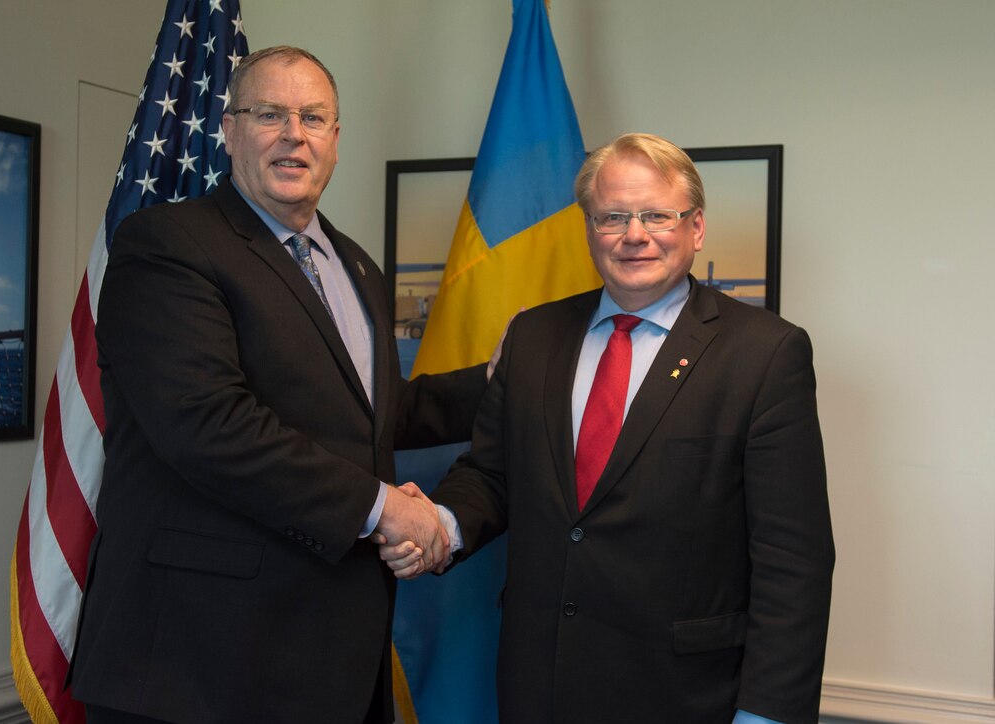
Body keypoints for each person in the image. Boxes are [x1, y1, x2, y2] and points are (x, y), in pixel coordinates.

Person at [68, 46, 488, 724]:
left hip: (332, 660)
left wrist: (502, 379)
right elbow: (208, 424)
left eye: (314, 117)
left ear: (335, 140)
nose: (295, 134)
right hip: (197, 665)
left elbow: (376, 416)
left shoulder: (354, 265)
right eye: (270, 113)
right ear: (230, 130)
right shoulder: (167, 245)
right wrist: (386, 508)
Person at [380, 133, 835, 723]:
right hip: (538, 683)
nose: (634, 234)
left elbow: (793, 559)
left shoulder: (765, 354)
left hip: (688, 695)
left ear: (696, 228)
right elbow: (492, 474)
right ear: (590, 228)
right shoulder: (535, 337)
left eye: (656, 215)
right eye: (613, 216)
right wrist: (439, 523)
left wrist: (767, 715)